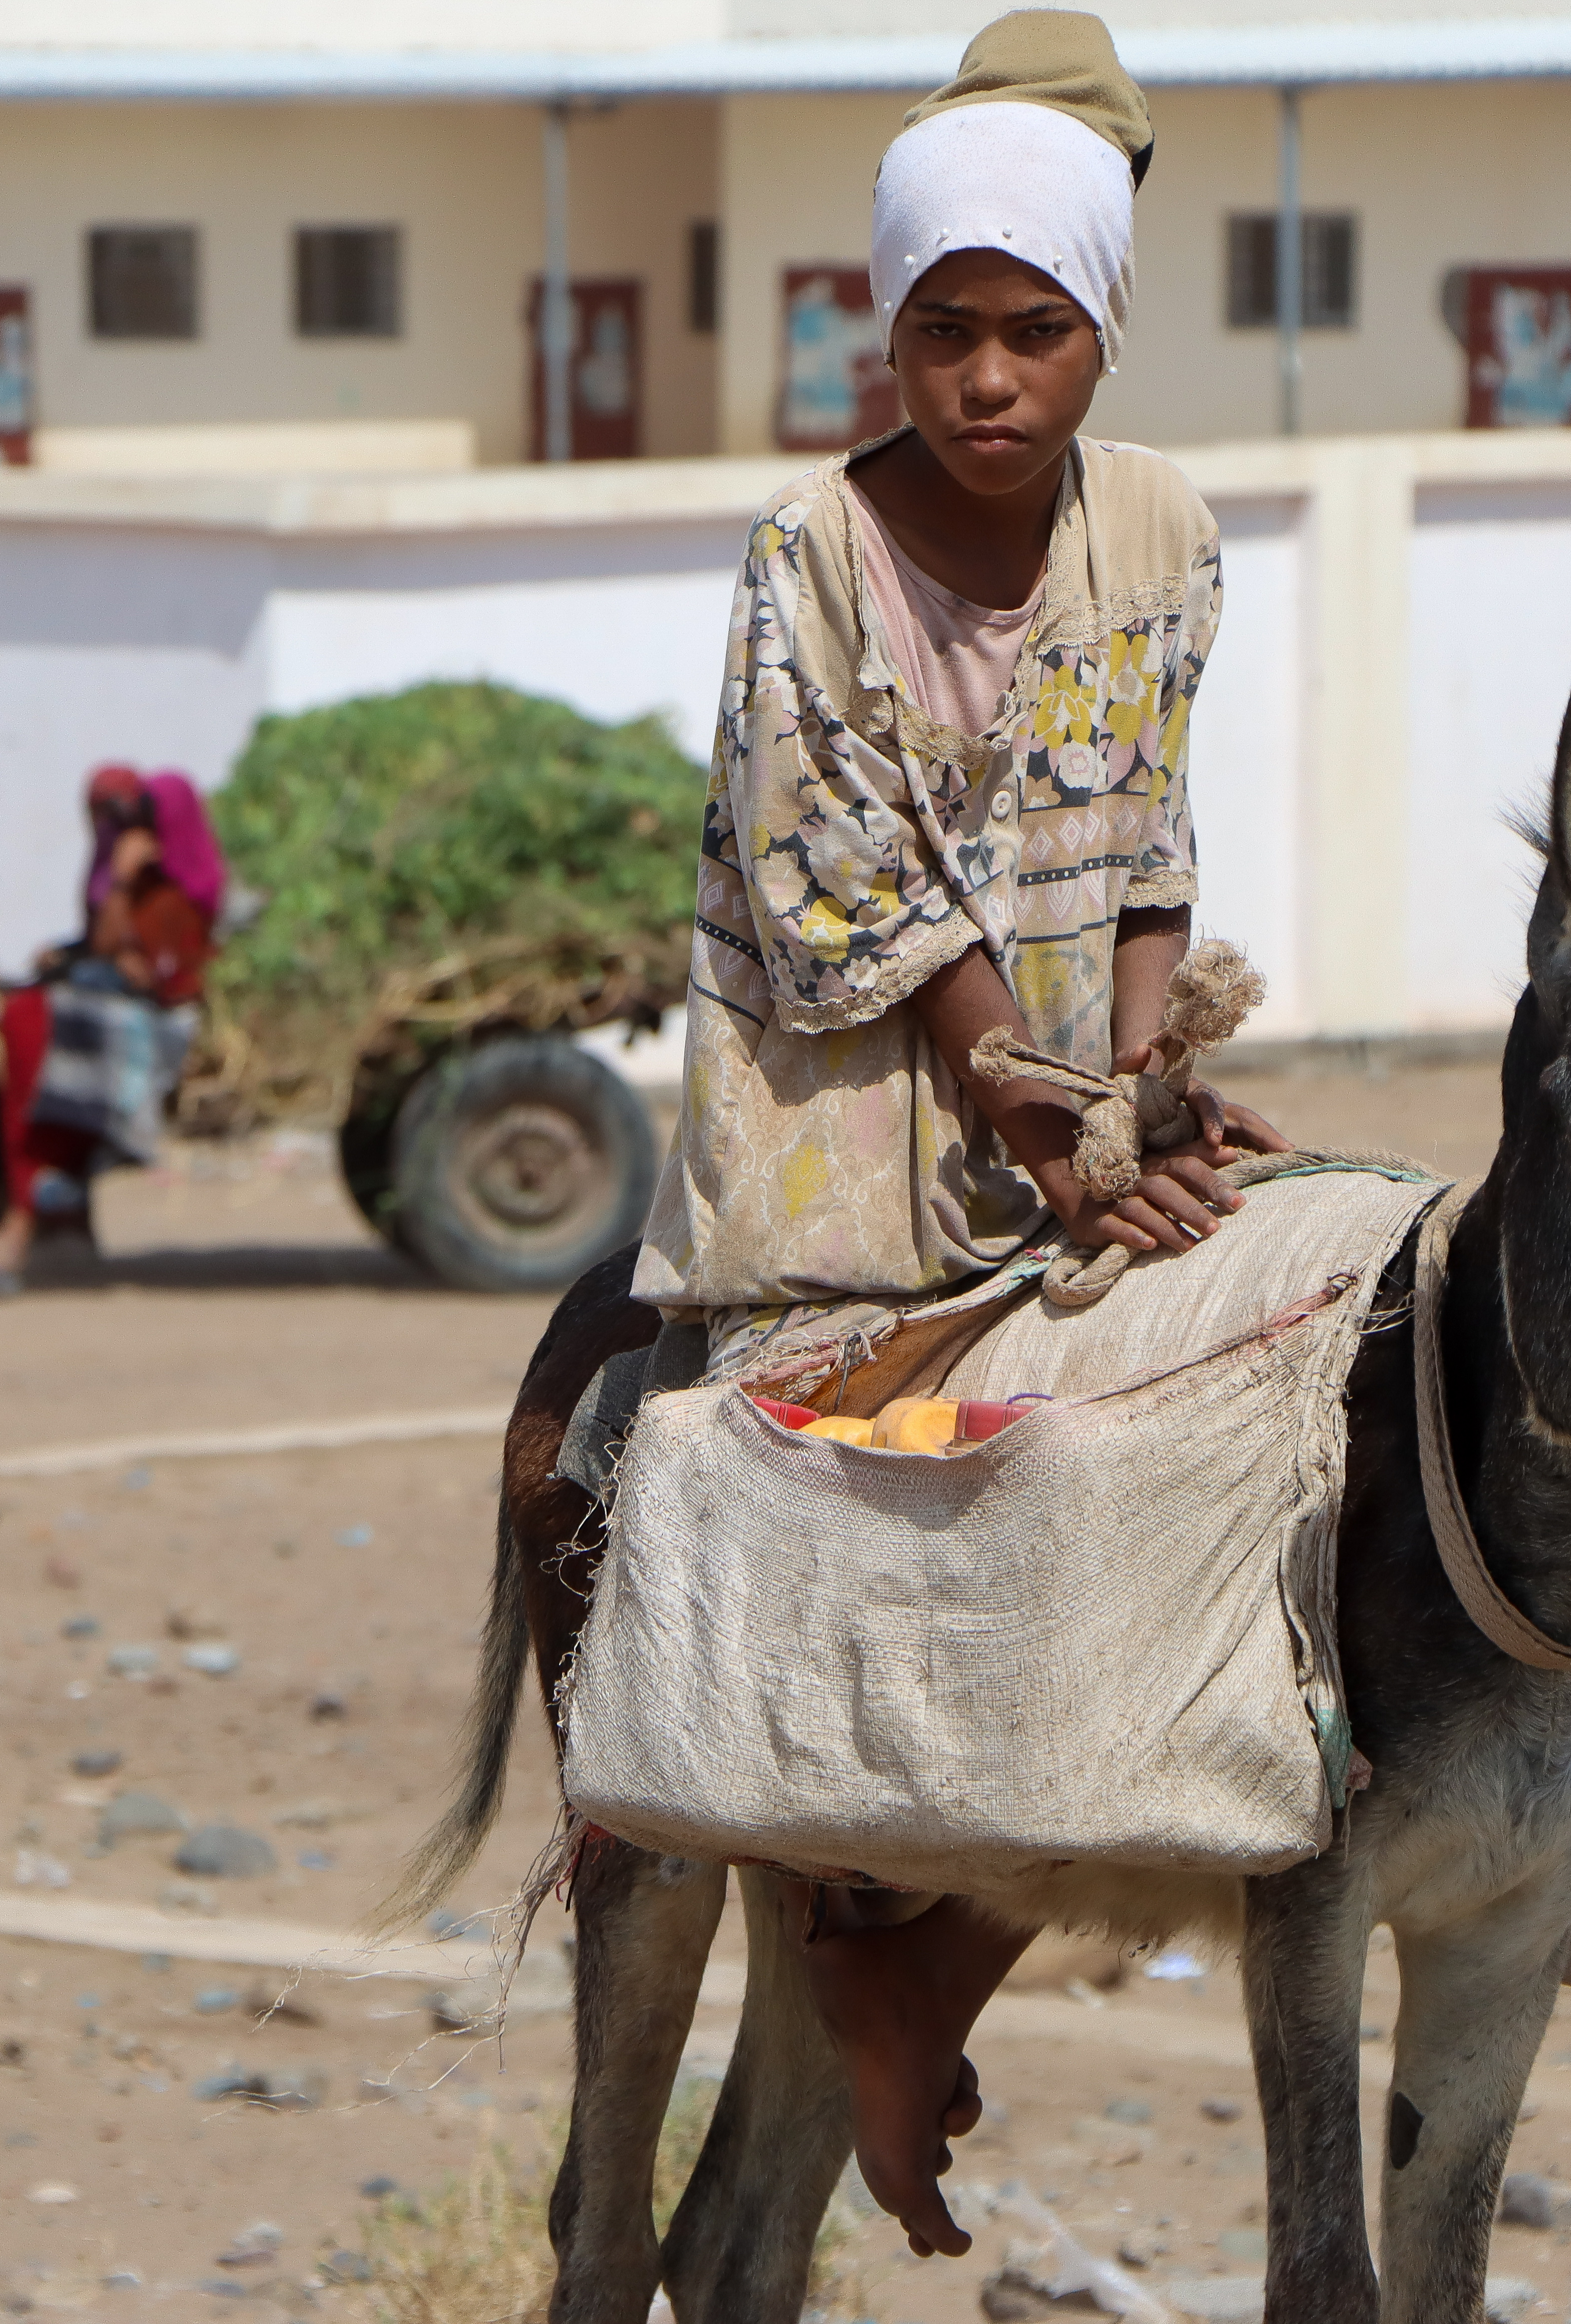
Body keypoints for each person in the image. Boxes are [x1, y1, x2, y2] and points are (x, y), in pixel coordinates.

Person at [626, 10, 1287, 2261]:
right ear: (881, 336)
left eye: (1033, 332)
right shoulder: (803, 548)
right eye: (942, 334)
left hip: (1053, 1105)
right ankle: (850, 1949)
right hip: (835, 1123)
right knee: (817, 1519)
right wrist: (1019, 1083)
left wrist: (1140, 1096)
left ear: (1102, 329)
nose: (987, 381)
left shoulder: (1171, 528)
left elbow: (1150, 833)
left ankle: (934, 1953)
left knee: (1231, 1454)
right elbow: (836, 866)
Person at [0, 763, 224, 1296]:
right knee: (15, 1016)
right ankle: (34, 1204)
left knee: (32, 1025)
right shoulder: (122, 861)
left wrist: (123, 887)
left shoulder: (187, 877)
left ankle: (24, 1221)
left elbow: (160, 963)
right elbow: (103, 944)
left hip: (155, 1006)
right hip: (113, 988)